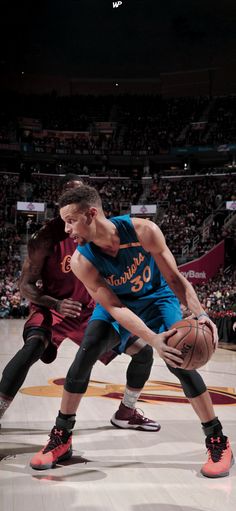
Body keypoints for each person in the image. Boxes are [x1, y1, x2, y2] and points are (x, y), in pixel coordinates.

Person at [30, 185, 234, 478]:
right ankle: (62, 437)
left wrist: (201, 314)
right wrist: (152, 340)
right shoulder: (81, 260)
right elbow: (114, 307)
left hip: (158, 298)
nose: (66, 229)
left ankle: (218, 440)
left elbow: (175, 279)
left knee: (180, 359)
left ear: (92, 213)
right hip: (120, 304)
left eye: (71, 220)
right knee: (86, 353)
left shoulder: (143, 230)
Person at [0, 175, 160, 437]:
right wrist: (55, 303)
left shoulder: (106, 233)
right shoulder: (44, 239)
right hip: (54, 308)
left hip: (89, 311)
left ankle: (126, 412)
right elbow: (26, 286)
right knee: (32, 348)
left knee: (143, 353)